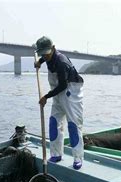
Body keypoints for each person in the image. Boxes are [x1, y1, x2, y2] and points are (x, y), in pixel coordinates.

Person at [34, 36, 85, 170]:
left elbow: (62, 85)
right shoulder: (46, 57)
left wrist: (46, 96)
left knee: (73, 126)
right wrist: (39, 61)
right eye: (42, 55)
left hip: (70, 93)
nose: (45, 57)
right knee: (54, 122)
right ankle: (56, 154)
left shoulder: (61, 62)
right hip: (57, 93)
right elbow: (45, 59)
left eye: (47, 54)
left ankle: (78, 158)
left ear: (54, 48)